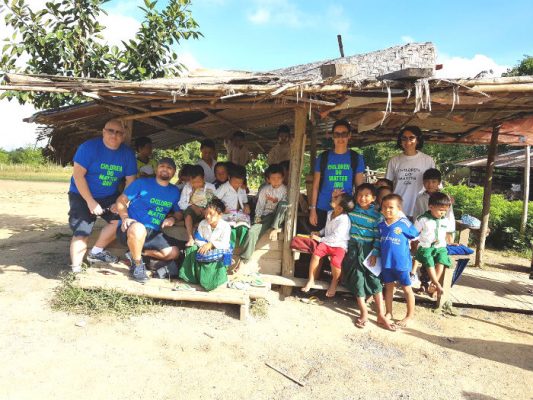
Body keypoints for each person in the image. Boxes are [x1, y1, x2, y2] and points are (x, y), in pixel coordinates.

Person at [68, 118, 137, 273]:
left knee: (122, 219)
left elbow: (131, 181)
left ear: (124, 135)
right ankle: (76, 270)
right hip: (81, 193)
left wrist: (121, 201)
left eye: (119, 132)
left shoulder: (127, 154)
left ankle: (96, 252)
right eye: (111, 131)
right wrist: (90, 201)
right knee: (82, 231)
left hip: (109, 194)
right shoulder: (88, 148)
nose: (114, 135)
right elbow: (78, 176)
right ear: (103, 132)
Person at [115, 157, 182, 282]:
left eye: (169, 168)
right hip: (132, 228)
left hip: (153, 233)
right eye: (162, 166)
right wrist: (125, 217)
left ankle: (137, 253)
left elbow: (179, 212)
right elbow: (121, 200)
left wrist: (173, 218)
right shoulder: (142, 183)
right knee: (139, 228)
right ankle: (138, 265)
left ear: (174, 173)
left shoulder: (174, 191)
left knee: (174, 252)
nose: (165, 170)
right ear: (156, 169)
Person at [341, 184, 395, 331]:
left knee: (374, 279)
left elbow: (378, 236)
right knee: (357, 278)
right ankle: (363, 312)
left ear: (373, 198)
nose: (362, 198)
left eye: (366, 195)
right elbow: (336, 206)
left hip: (370, 250)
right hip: (354, 248)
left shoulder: (377, 216)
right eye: (359, 195)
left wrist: (376, 253)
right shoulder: (351, 211)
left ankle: (381, 314)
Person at [308, 119, 365, 230]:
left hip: (345, 208)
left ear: (349, 136)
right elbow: (315, 187)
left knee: (340, 243)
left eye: (344, 134)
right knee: (319, 241)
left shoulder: (356, 158)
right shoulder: (323, 157)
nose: (340, 138)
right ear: (332, 136)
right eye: (337, 134)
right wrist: (313, 210)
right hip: (323, 207)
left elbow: (359, 188)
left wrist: (359, 211)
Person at [298, 193, 353, 297]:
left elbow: (336, 237)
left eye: (336, 199)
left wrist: (320, 239)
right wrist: (319, 232)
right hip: (326, 242)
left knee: (335, 262)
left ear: (340, 208)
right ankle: (311, 279)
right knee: (316, 255)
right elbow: (327, 228)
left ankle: (334, 282)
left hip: (339, 245)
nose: (333, 198)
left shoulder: (344, 220)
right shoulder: (330, 213)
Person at [379, 194, 420, 327]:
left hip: (402, 264)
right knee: (389, 288)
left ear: (399, 209)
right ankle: (389, 312)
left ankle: (409, 316)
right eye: (384, 207)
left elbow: (415, 235)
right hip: (386, 263)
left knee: (407, 289)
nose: (387, 210)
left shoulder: (404, 223)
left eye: (391, 207)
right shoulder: (381, 225)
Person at [178, 199, 233, 291]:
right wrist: (204, 245)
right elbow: (198, 239)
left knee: (210, 282)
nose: (207, 216)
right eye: (206, 213)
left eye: (211, 214)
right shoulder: (203, 224)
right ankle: (193, 277)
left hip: (218, 251)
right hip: (203, 249)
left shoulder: (225, 226)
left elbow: (225, 244)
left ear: (220, 215)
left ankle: (212, 279)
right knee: (191, 249)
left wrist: (211, 245)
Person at [240, 164, 288, 262]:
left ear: (283, 178)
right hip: (267, 216)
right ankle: (244, 259)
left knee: (283, 204)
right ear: (268, 179)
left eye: (279, 178)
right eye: (273, 178)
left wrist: (276, 201)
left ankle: (275, 228)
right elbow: (260, 206)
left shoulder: (285, 190)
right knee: (252, 231)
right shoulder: (265, 190)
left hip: (280, 218)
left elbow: (284, 207)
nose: (276, 180)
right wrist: (257, 218)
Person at [385, 126, 435, 219]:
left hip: (421, 209)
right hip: (397, 210)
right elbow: (386, 186)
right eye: (404, 138)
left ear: (418, 140)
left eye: (412, 138)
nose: (408, 141)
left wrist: (445, 198)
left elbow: (435, 185)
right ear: (400, 141)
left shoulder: (427, 160)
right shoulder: (394, 160)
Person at [414, 192, 455, 296]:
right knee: (428, 259)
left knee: (442, 259)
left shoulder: (445, 220)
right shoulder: (422, 219)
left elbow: (448, 234)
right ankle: (437, 283)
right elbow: (414, 233)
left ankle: (433, 283)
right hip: (425, 247)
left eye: (445, 211)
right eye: (440, 210)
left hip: (440, 247)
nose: (443, 213)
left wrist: (451, 242)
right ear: (431, 207)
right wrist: (413, 244)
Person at [412, 168, 455, 242]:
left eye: (434, 182)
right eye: (427, 182)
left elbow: (449, 217)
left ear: (439, 183)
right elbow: (416, 215)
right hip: (425, 234)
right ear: (423, 182)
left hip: (441, 234)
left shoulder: (445, 198)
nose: (430, 185)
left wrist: (450, 237)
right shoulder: (419, 198)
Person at [178, 165, 216, 247]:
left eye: (198, 182)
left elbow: (215, 202)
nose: (196, 184)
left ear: (204, 178)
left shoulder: (211, 187)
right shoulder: (187, 187)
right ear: (189, 180)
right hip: (193, 211)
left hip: (206, 212)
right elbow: (181, 203)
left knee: (211, 213)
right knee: (188, 213)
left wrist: (207, 209)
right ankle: (191, 238)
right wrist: (192, 206)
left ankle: (194, 224)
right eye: (193, 182)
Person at [215, 164, 251, 247]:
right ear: (229, 178)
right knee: (231, 230)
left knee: (244, 228)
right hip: (226, 214)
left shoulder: (242, 188)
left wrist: (246, 206)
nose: (237, 184)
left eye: (240, 182)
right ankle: (230, 249)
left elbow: (245, 202)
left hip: (239, 214)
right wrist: (222, 208)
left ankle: (242, 248)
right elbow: (215, 199)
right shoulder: (224, 187)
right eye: (235, 182)